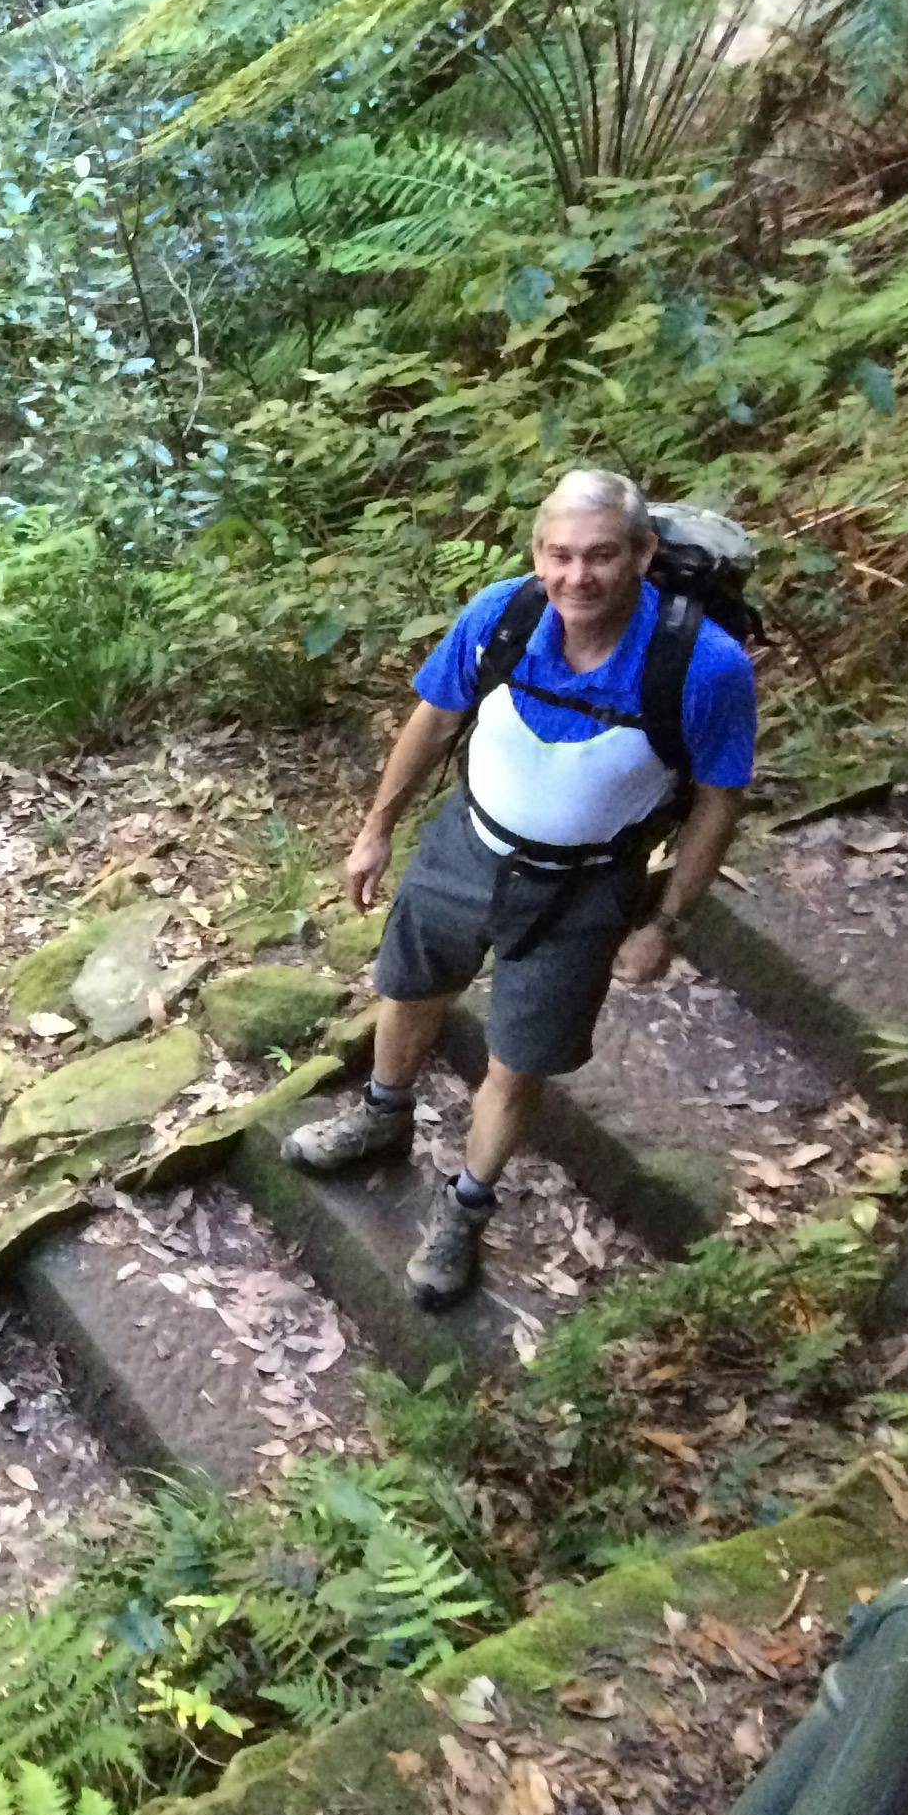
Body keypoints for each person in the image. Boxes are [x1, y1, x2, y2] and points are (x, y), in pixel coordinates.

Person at [283, 467, 757, 1308]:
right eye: (561, 555)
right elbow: (431, 717)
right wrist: (375, 830)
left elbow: (719, 802)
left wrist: (667, 923)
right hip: (465, 847)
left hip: (586, 889)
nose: (579, 577)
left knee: (520, 1056)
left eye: (603, 555)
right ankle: (383, 1116)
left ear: (644, 553)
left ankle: (466, 1209)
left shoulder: (703, 664)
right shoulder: (504, 614)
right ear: (538, 554)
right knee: (409, 988)